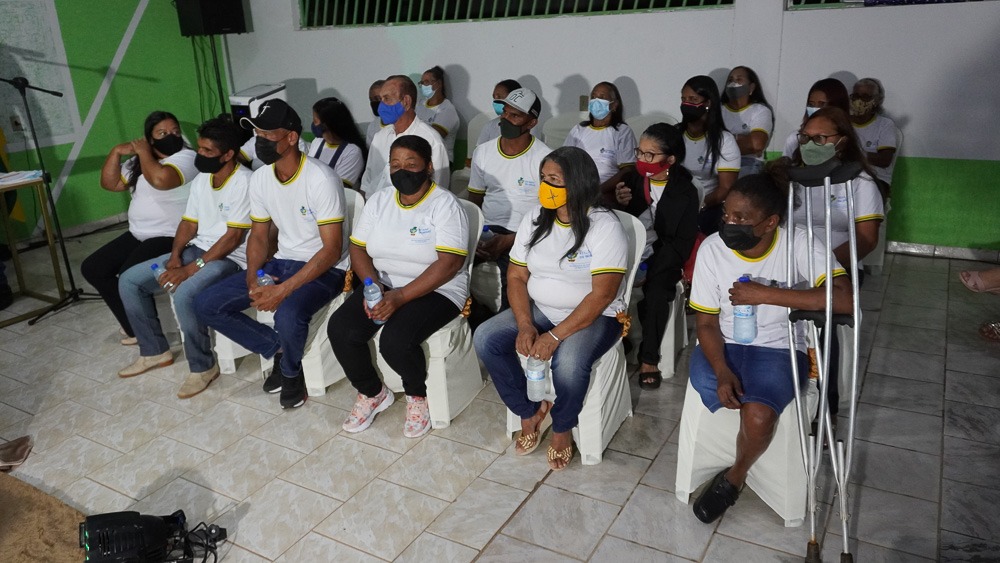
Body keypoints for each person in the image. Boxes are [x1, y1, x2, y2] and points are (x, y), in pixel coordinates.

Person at [687, 172, 853, 523]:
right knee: (736, 394)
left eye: (742, 218)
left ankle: (734, 478)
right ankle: (736, 429)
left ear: (770, 222)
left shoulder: (799, 243)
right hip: (723, 344)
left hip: (778, 347)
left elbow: (846, 300)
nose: (730, 224)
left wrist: (766, 295)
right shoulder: (713, 249)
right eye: (727, 216)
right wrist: (722, 371)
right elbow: (705, 323)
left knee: (759, 414)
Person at [474, 146, 628, 471]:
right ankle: (529, 411)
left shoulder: (604, 226)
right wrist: (526, 323)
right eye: (544, 178)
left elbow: (602, 295)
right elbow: (516, 276)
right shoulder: (535, 218)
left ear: (578, 183)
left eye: (554, 180)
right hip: (544, 308)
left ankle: (562, 428)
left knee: (569, 362)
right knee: (486, 337)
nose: (546, 186)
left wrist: (555, 337)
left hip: (596, 315)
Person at [195, 99, 348, 409]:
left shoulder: (321, 179)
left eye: (267, 136)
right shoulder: (262, 178)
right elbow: (259, 236)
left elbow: (331, 251)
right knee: (206, 304)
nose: (259, 143)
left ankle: (292, 373)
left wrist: (284, 290)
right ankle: (278, 348)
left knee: (289, 312)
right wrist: (253, 277)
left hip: (327, 270)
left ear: (291, 137)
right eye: (256, 136)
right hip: (283, 262)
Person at [329, 135, 469, 438]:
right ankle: (372, 392)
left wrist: (400, 297)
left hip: (439, 289)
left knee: (395, 340)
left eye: (411, 164)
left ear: (428, 167)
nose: (402, 170)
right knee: (341, 328)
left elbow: (449, 264)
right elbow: (358, 249)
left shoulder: (444, 204)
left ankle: (417, 397)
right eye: (395, 164)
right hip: (384, 282)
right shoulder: (379, 201)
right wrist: (372, 286)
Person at [116, 118, 252, 398]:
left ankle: (203, 367)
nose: (198, 155)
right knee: (130, 280)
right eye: (199, 148)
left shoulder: (245, 182)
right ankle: (154, 350)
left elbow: (232, 239)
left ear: (227, 154)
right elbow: (189, 223)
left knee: (185, 292)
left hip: (233, 259)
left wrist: (191, 269)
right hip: (198, 250)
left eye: (206, 152)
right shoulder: (203, 179)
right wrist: (176, 256)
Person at [777, 106, 884, 424]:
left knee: (824, 322)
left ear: (841, 141)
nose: (810, 143)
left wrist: (822, 265)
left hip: (840, 264)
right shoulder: (791, 178)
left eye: (820, 138)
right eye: (805, 137)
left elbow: (866, 239)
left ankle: (826, 408)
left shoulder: (859, 182)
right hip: (792, 264)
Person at [82, 110, 197, 345]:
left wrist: (144, 152)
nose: (171, 136)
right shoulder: (139, 162)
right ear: (151, 138)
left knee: (128, 275)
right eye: (163, 133)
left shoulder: (186, 158)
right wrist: (115, 153)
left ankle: (150, 338)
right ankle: (133, 325)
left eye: (175, 131)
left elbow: (161, 180)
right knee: (93, 268)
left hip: (171, 235)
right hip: (138, 233)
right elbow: (110, 183)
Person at [612, 123, 699, 389]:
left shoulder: (686, 192)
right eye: (640, 152)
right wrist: (621, 202)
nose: (641, 159)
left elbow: (681, 243)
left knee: (658, 290)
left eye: (650, 155)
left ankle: (649, 358)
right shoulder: (634, 180)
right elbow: (619, 223)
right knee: (605, 279)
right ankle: (616, 336)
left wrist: (649, 269)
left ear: (670, 159)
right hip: (632, 250)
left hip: (665, 254)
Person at [468, 87, 552, 311]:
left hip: (524, 233)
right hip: (487, 229)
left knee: (514, 284)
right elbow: (474, 200)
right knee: (451, 268)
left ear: (531, 123)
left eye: (515, 116)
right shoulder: (483, 152)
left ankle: (509, 331)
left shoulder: (545, 158)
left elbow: (549, 213)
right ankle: (475, 317)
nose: (506, 119)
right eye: (505, 112)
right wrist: (473, 236)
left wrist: (510, 240)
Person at [360, 75, 450, 197]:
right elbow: (368, 181)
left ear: (406, 102)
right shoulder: (379, 137)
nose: (381, 106)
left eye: (387, 99)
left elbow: (438, 190)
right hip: (374, 208)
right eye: (380, 99)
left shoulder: (431, 140)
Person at [676, 76, 740, 235]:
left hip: (708, 207)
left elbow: (725, 188)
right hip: (675, 204)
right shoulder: (675, 134)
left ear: (708, 103)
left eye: (693, 99)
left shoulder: (724, 141)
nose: (686, 104)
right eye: (683, 99)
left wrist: (699, 204)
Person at [564, 81, 637, 189]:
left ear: (614, 105)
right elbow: (564, 161)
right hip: (577, 190)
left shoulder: (622, 131)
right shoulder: (579, 129)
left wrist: (600, 191)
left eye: (602, 97)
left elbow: (628, 170)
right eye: (593, 97)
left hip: (607, 191)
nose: (596, 101)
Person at [720, 66, 774, 177]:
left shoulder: (760, 111)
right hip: (720, 163)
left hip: (749, 164)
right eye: (730, 80)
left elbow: (756, 145)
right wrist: (741, 139)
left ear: (751, 87)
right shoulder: (718, 111)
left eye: (739, 80)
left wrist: (724, 142)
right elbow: (708, 144)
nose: (733, 83)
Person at [849, 78, 898, 198]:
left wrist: (852, 154)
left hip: (876, 180)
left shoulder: (884, 125)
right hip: (848, 177)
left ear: (877, 100)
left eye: (866, 97)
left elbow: (884, 160)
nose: (859, 101)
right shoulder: (843, 122)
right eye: (856, 96)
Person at [308, 97, 368, 190]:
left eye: (315, 121)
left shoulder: (352, 152)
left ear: (327, 124)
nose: (314, 124)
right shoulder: (317, 142)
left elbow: (339, 188)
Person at [781, 78, 850, 158]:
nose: (815, 109)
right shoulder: (795, 139)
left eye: (822, 104)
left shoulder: (852, 139)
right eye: (811, 105)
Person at [415, 65, 461, 165]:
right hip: (419, 157)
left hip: (440, 160)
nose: (423, 85)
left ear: (438, 83)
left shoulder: (447, 109)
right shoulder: (420, 105)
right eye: (421, 83)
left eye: (426, 82)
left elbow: (434, 137)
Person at [476, 79, 522, 147]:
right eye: (494, 97)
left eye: (499, 97)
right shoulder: (489, 126)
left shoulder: (528, 126)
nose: (495, 101)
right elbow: (479, 152)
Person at [365, 79, 388, 146]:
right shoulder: (372, 126)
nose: (374, 102)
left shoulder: (400, 123)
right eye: (371, 100)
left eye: (377, 99)